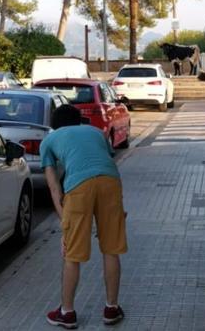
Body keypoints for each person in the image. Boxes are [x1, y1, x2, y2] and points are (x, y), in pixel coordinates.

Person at [41, 105, 127, 329]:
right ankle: (111, 308)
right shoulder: (97, 132)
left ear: (55, 124)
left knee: (73, 255)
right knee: (111, 249)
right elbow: (105, 162)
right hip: (111, 182)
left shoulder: (49, 140)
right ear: (79, 120)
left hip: (79, 187)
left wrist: (65, 226)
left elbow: (54, 189)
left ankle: (67, 313)